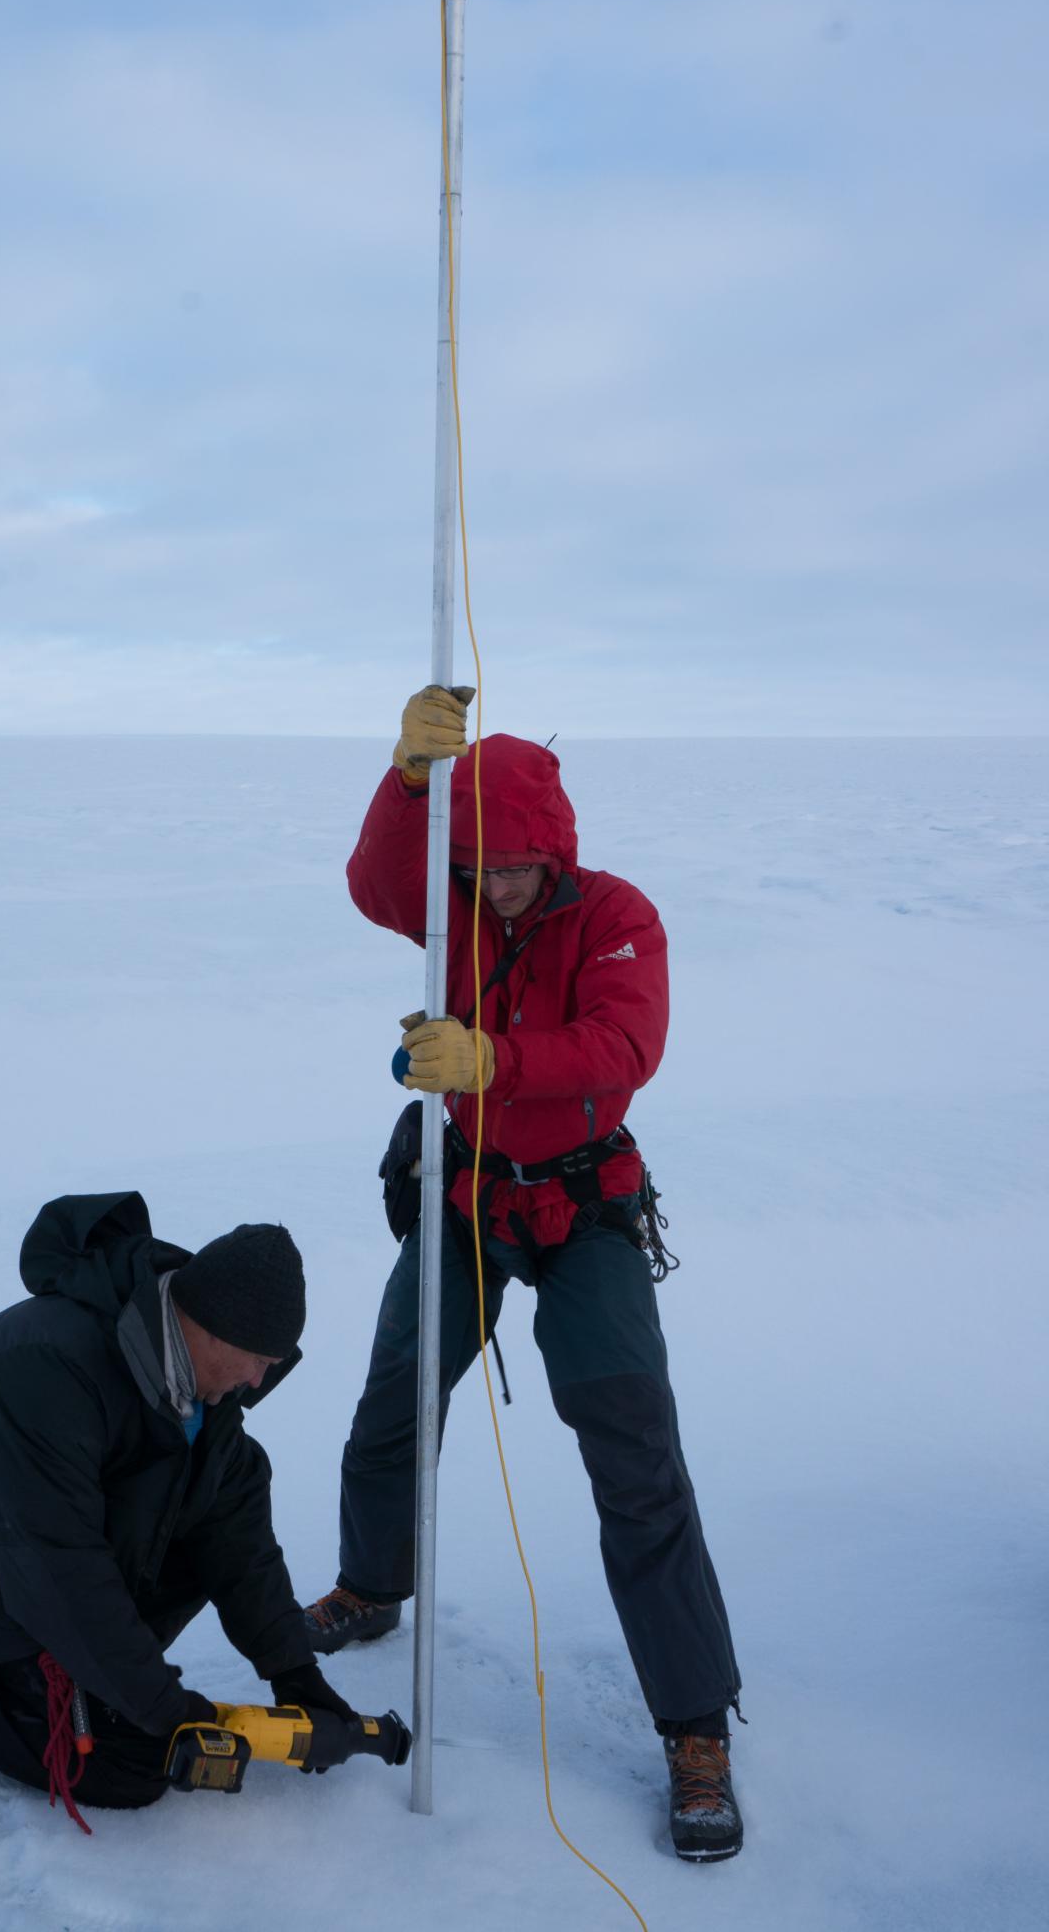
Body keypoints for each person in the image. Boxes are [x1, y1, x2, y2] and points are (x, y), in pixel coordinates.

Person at [302, 688, 744, 1863]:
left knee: (631, 1442)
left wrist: (492, 1056)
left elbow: (624, 1047)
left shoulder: (618, 914)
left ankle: (696, 1725)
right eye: (479, 866)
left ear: (559, 850)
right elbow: (374, 885)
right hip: (468, 1195)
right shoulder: (448, 909)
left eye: (516, 868)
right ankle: (369, 1581)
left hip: (587, 1204)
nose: (496, 887)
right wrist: (406, 783)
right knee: (396, 1392)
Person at [0, 1192, 353, 1820]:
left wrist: (293, 1672)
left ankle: (88, 1679)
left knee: (212, 1516)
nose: (259, 1383)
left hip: (52, 1553)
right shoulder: (45, 1364)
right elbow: (55, 1568)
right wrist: (161, 1709)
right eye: (260, 1363)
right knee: (127, 1762)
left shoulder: (202, 1397)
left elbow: (239, 1542)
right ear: (217, 1325)